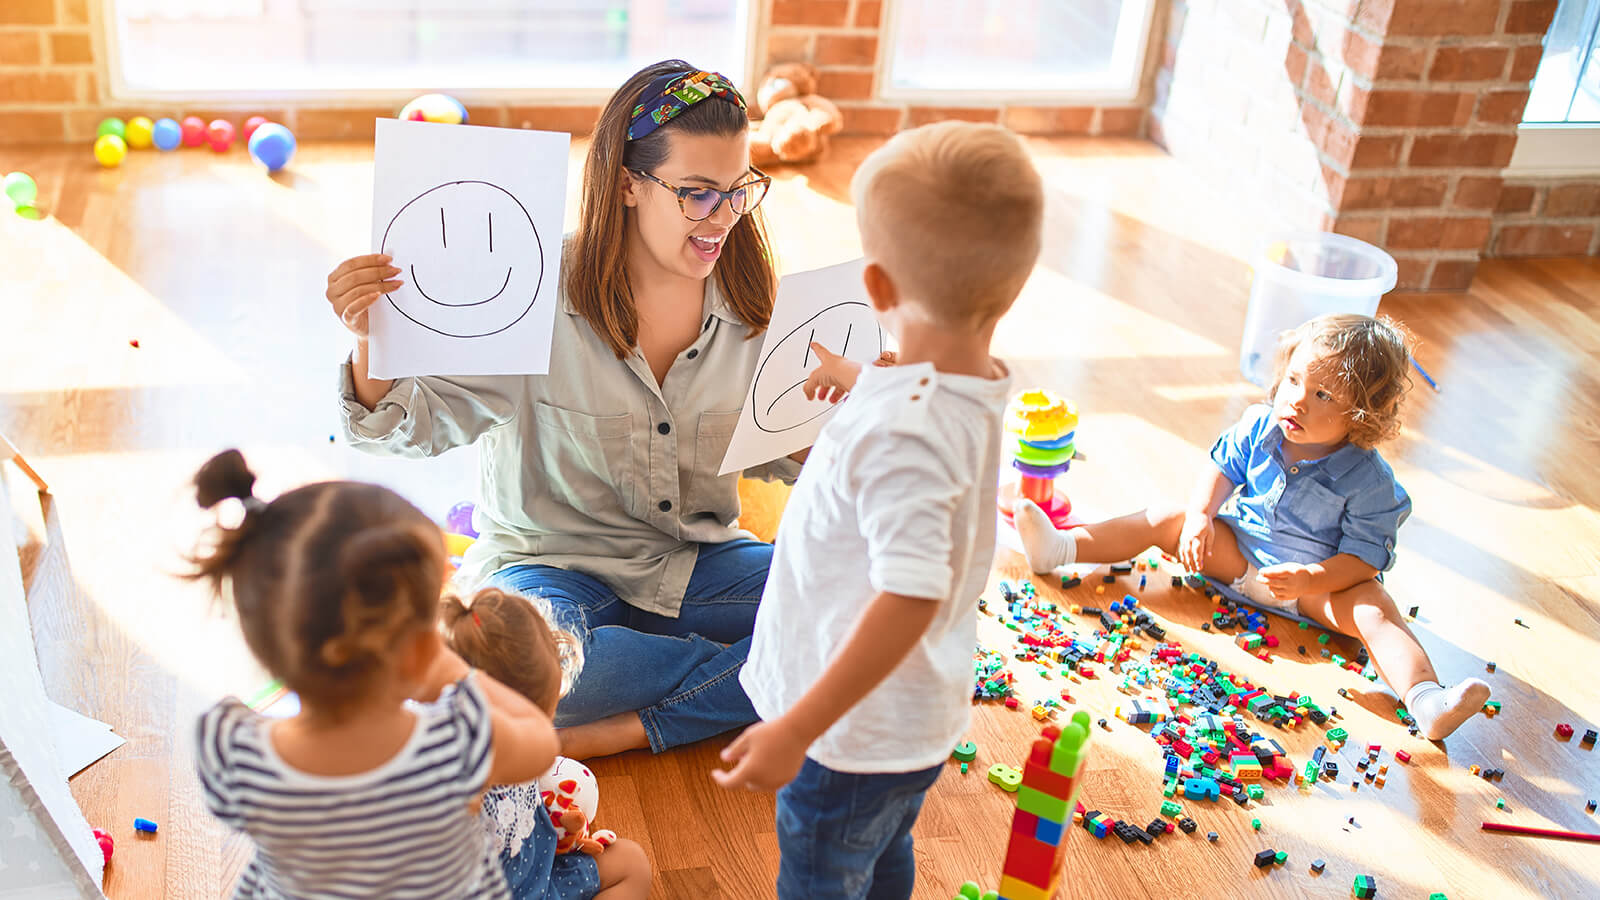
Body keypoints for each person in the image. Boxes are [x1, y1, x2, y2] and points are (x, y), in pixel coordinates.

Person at [325, 61, 797, 760]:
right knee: (512, 673)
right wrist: (372, 344)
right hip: (548, 566)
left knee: (869, 608)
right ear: (630, 184)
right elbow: (411, 427)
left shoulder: (755, 310)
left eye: (738, 190)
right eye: (697, 194)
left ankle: (631, 723)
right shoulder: (533, 291)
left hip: (694, 567)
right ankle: (753, 676)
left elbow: (787, 452)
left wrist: (853, 417)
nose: (722, 218)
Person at [713, 121, 1044, 900]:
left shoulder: (906, 433)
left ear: (880, 289)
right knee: (884, 852)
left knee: (824, 871)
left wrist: (797, 728)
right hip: (909, 725)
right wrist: (858, 377)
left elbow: (912, 593)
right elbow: (928, 402)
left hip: (848, 738)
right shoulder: (970, 379)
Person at [1013, 313, 1492, 741]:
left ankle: (1427, 702)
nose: (1297, 402)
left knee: (1376, 609)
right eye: (1293, 381)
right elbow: (1220, 468)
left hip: (1318, 595)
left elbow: (1364, 558)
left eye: (1322, 395)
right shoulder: (1260, 426)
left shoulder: (1371, 482)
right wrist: (1202, 516)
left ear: (1362, 415)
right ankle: (1061, 548)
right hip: (1238, 557)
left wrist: (1313, 579)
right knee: (1165, 517)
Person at [187, 449, 559, 899]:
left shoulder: (229, 748)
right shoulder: (454, 741)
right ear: (422, 650)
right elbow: (540, 739)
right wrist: (454, 673)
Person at [438, 588, 651, 899]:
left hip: (534, 871)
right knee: (632, 867)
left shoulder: (505, 755)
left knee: (630, 861)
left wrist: (565, 836)